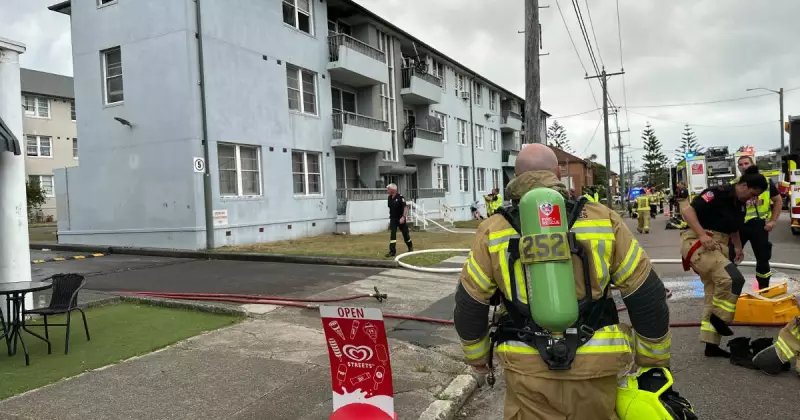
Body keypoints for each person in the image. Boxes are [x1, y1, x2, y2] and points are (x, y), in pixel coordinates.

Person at [453, 143, 673, 419]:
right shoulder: (602, 219)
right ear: (558, 173)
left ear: (514, 179)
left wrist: (479, 361)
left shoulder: (494, 229)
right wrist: (652, 361)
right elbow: (645, 293)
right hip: (597, 364)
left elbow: (470, 302)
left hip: (527, 367)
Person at [680, 166, 768, 359]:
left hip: (720, 245)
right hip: (699, 242)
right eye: (752, 193)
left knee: (714, 293)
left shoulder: (740, 204)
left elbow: (734, 228)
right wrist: (702, 235)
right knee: (732, 279)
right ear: (743, 185)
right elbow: (687, 211)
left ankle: (711, 346)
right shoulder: (718, 194)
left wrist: (738, 248)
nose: (752, 198)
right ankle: (719, 319)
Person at [726, 156, 783, 290]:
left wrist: (773, 221)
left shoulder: (766, 183)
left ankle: (764, 288)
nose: (744, 166)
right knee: (730, 257)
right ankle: (728, 287)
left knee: (763, 259)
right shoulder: (735, 184)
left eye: (746, 163)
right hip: (739, 228)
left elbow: (778, 201)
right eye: (740, 164)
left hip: (759, 226)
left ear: (752, 164)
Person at [384, 183, 412, 258]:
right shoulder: (389, 198)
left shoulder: (400, 197)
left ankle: (410, 247)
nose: (387, 190)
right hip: (393, 218)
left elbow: (405, 208)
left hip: (400, 218)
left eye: (388, 189)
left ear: (393, 190)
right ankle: (392, 251)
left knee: (405, 234)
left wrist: (403, 217)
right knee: (392, 234)